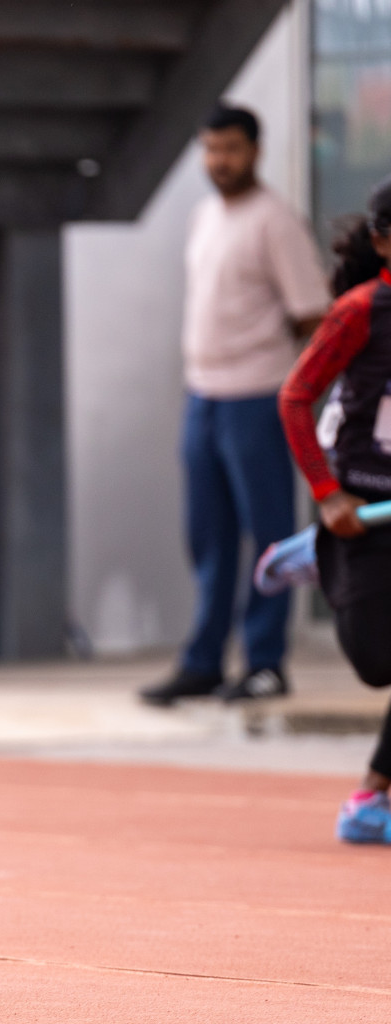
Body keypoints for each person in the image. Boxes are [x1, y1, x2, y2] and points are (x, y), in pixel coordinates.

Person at [140, 105, 331, 707]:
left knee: (268, 534)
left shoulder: (276, 221)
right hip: (204, 395)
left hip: (258, 396)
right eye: (211, 150)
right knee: (208, 536)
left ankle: (265, 661)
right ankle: (203, 660)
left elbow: (311, 313)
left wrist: (288, 384)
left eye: (231, 150)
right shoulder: (205, 216)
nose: (219, 162)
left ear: (256, 151)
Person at [278, 177, 391, 842]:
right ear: (383, 243)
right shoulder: (359, 312)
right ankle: (318, 552)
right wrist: (328, 495)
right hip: (358, 506)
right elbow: (295, 398)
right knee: (377, 663)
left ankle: (370, 799)